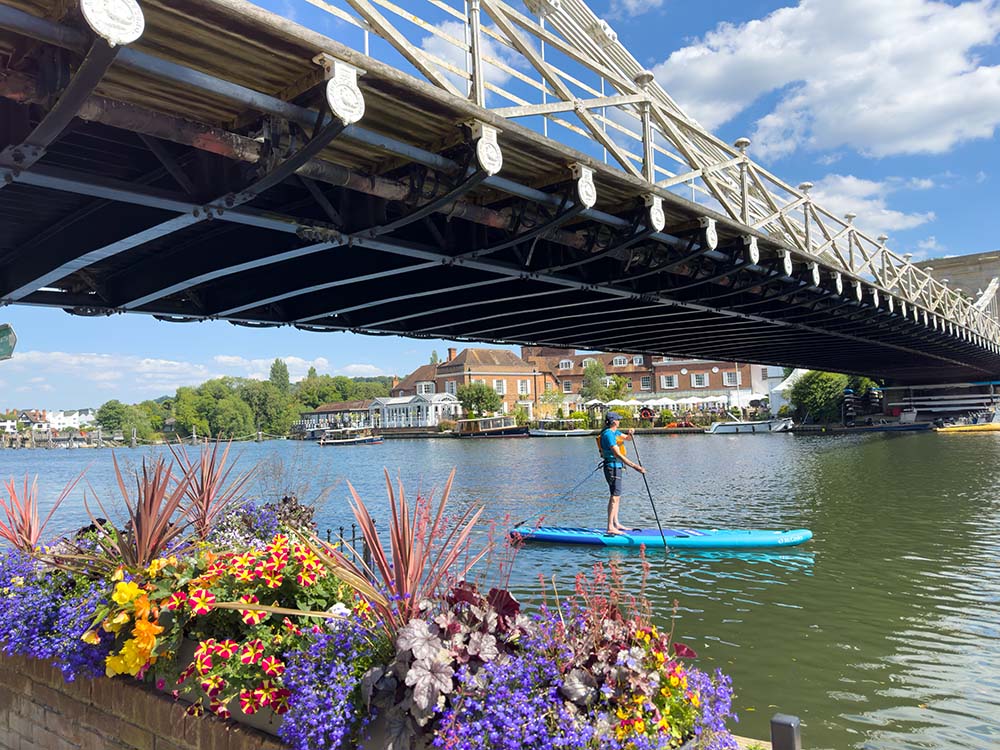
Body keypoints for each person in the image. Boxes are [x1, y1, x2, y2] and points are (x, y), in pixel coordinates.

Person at [599, 412, 646, 535]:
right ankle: (610, 527)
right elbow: (617, 454)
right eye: (618, 420)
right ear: (614, 421)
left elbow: (628, 438)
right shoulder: (609, 434)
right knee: (614, 497)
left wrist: (631, 433)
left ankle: (616, 523)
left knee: (617, 496)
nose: (619, 421)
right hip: (612, 467)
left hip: (618, 466)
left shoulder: (615, 432)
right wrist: (635, 466)